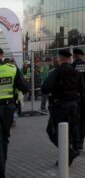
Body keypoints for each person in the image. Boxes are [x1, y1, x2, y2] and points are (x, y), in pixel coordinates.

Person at [42, 49, 84, 166]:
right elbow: (82, 89)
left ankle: (69, 153)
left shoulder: (56, 72)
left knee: (52, 132)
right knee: (68, 134)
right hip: (74, 107)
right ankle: (66, 160)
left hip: (60, 108)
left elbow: (45, 88)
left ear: (60, 59)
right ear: (69, 59)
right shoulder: (76, 72)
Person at [0, 48, 29, 178]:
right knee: (4, 139)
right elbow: (25, 88)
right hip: (7, 109)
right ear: (1, 55)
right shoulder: (11, 69)